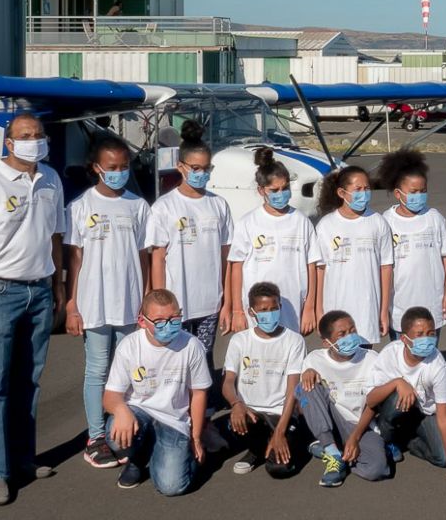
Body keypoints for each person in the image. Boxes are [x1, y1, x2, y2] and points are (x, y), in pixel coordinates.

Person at [0, 113, 65, 504]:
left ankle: (23, 458)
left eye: (38, 135)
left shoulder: (50, 179)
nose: (32, 141)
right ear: (8, 143)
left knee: (28, 382)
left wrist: (58, 285)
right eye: (24, 136)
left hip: (39, 291)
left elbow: (55, 235)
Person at [64, 137, 153, 468]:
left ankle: (127, 428)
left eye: (124, 167)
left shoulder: (138, 206)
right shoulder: (80, 207)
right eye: (112, 168)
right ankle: (96, 436)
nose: (119, 173)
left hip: (130, 304)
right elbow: (74, 259)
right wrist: (72, 304)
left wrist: (147, 297)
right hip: (95, 304)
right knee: (98, 369)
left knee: (130, 371)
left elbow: (144, 257)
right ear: (96, 168)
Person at [102, 289, 212, 495]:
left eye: (174, 319)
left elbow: (198, 393)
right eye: (160, 321)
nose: (168, 326)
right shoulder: (129, 346)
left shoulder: (192, 345)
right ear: (143, 321)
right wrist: (121, 411)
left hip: (174, 420)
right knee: (114, 435)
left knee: (172, 487)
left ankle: (167, 454)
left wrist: (195, 437)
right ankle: (137, 459)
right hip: (139, 413)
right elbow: (110, 396)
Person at [147, 122, 232, 377]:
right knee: (174, 360)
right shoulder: (164, 207)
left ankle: (202, 410)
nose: (201, 173)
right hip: (176, 305)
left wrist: (227, 299)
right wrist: (160, 301)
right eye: (195, 168)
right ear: (180, 167)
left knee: (203, 357)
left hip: (209, 302)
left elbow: (226, 255)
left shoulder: (219, 205)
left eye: (206, 169)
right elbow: (158, 258)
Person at [355, 307, 446, 480]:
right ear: (404, 339)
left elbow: (443, 416)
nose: (426, 339)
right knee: (396, 396)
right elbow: (371, 400)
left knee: (442, 458)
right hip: (393, 409)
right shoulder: (390, 354)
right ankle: (388, 440)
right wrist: (397, 382)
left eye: (430, 333)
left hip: (423, 413)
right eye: (419, 334)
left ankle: (405, 440)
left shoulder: (437, 363)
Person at [227, 148, 321, 334]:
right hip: (257, 309)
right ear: (261, 190)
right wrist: (237, 309)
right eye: (274, 190)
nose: (281, 193)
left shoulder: (301, 221)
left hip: (293, 306)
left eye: (285, 188)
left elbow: (312, 266)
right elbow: (236, 267)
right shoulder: (247, 222)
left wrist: (309, 308)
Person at [221, 282, 308, 478]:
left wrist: (280, 431)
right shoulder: (239, 340)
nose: (269, 314)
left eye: (274, 308)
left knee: (279, 469)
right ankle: (256, 450)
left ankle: (281, 437)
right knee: (239, 421)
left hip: (280, 412)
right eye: (263, 310)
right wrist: (236, 404)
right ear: (252, 312)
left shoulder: (294, 340)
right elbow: (228, 382)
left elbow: (293, 388)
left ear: (280, 307)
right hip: (250, 412)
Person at [295, 311, 389, 486]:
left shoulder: (371, 359)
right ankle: (332, 453)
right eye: (342, 334)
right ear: (326, 342)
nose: (350, 337)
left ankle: (333, 451)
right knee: (306, 385)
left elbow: (373, 404)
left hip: (362, 425)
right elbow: (304, 403)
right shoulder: (314, 360)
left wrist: (354, 437)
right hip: (333, 420)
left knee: (377, 469)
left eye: (352, 331)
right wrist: (308, 373)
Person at [374, 149, 446, 335]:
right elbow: (384, 266)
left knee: (429, 351)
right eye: (413, 192)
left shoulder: (435, 218)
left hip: (433, 302)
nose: (419, 196)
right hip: (399, 305)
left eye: (423, 191)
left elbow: (445, 257)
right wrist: (383, 305)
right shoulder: (385, 221)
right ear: (398, 193)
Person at [313, 166, 394, 343]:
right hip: (335, 309)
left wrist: (383, 311)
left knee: (363, 364)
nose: (363, 194)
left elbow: (386, 268)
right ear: (342, 193)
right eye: (357, 190)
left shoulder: (378, 223)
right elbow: (320, 270)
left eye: (366, 189)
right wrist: (319, 311)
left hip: (367, 312)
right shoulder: (326, 226)